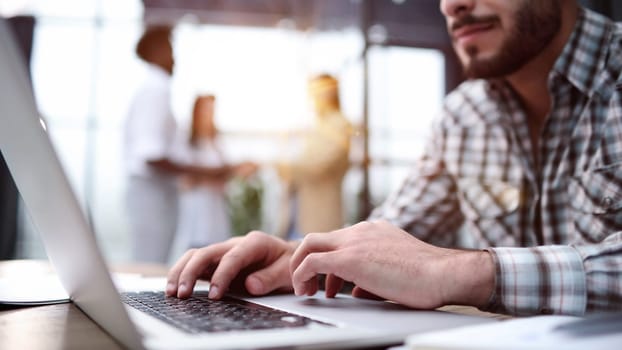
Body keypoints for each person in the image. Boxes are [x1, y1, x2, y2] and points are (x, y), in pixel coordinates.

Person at [165, 0, 622, 316]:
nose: (450, 5)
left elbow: (434, 269)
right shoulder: (464, 115)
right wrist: (298, 258)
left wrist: (461, 271)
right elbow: (393, 239)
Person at [124, 26, 255, 263]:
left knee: (153, 259)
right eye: (170, 48)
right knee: (149, 262)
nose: (174, 57)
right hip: (153, 192)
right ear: (157, 50)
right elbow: (152, 156)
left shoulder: (154, 89)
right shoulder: (157, 89)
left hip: (158, 193)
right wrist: (212, 172)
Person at [275, 74, 353, 238]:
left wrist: (281, 167)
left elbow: (319, 167)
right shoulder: (315, 125)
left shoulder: (339, 125)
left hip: (319, 219)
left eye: (319, 90)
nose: (314, 96)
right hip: (298, 215)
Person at [172, 95, 232, 257]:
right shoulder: (185, 139)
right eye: (206, 110)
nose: (209, 114)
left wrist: (210, 176)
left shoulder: (216, 140)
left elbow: (225, 173)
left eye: (212, 110)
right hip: (195, 210)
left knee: (216, 252)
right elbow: (185, 179)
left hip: (215, 209)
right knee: (194, 253)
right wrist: (213, 174)